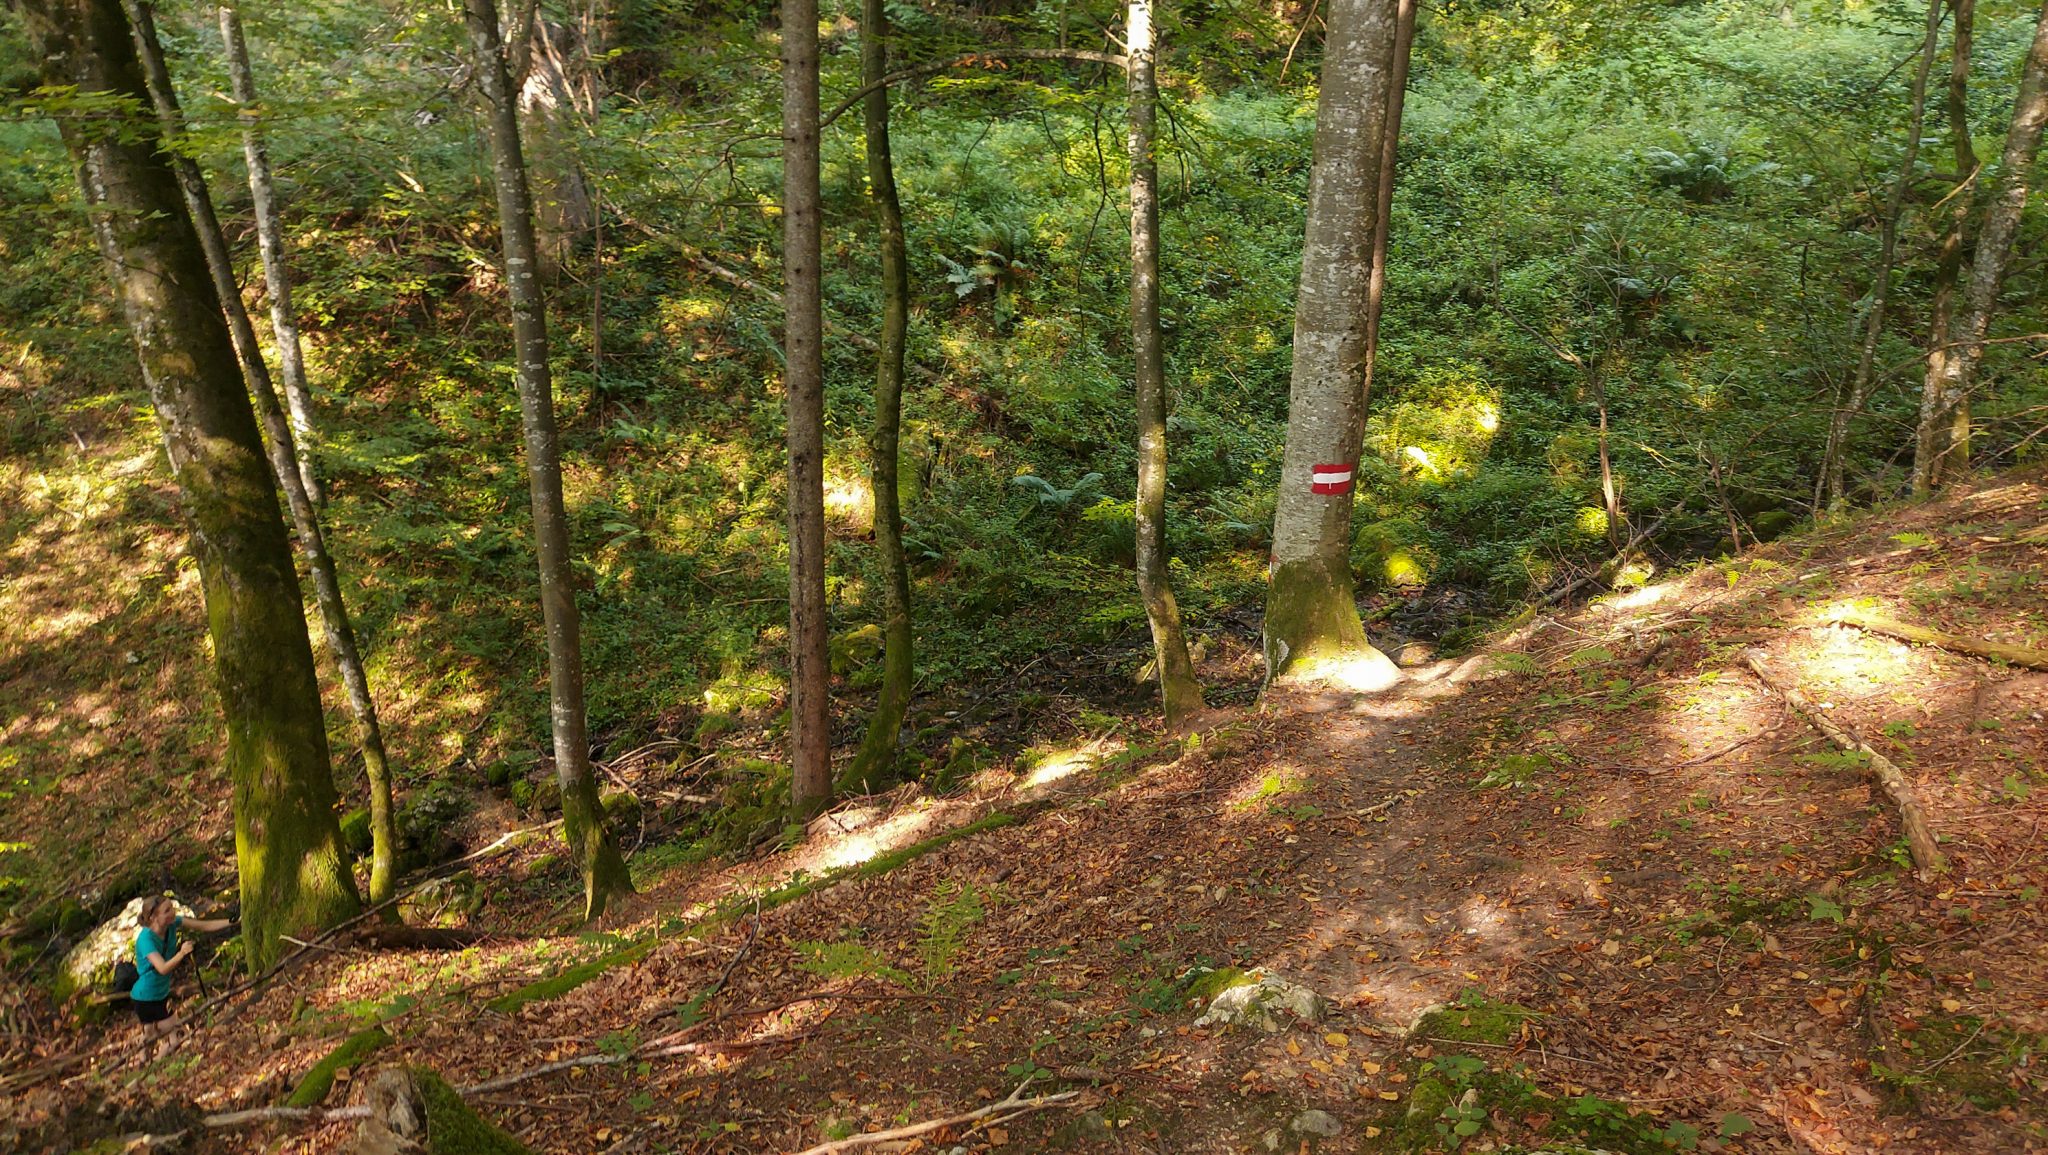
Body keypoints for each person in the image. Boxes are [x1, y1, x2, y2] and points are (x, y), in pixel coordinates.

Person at [131, 895, 233, 1037]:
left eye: (172, 908)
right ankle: (143, 1056)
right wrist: (182, 953)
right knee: (171, 1035)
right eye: (167, 911)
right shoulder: (145, 940)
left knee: (160, 1038)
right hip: (146, 997)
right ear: (153, 917)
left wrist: (231, 921)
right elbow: (162, 968)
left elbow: (203, 925)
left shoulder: (172, 924)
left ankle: (145, 1056)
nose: (172, 912)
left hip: (161, 993)